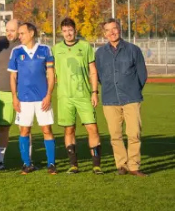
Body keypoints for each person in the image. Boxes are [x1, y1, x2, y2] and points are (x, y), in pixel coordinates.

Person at [95, 18, 148, 177]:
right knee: (115, 135)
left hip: (131, 98)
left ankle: (134, 166)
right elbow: (98, 76)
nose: (112, 32)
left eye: (114, 29)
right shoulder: (100, 53)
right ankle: (122, 165)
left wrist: (133, 89)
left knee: (134, 134)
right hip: (110, 99)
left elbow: (142, 75)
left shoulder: (133, 50)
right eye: (108, 30)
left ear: (120, 29)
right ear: (104, 34)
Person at [52, 17, 102, 174]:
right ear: (61, 32)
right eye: (65, 31)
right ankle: (73, 165)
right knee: (69, 130)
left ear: (75, 30)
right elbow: (51, 73)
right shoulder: (56, 49)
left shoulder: (85, 46)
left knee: (92, 128)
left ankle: (96, 165)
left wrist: (94, 92)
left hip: (83, 95)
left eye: (70, 30)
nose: (68, 34)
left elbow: (93, 71)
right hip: (65, 97)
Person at [8, 22, 56, 175]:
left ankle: (51, 164)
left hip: (42, 98)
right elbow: (13, 76)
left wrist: (48, 95)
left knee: (46, 129)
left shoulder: (45, 50)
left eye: (22, 33)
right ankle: (26, 164)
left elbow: (51, 75)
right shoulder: (16, 52)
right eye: (19, 33)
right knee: (24, 130)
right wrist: (14, 97)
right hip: (23, 99)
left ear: (31, 34)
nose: (19, 36)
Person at [0, 19, 21, 171]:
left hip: (24, 93)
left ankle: (27, 161)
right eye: (7, 29)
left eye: (12, 30)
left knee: (24, 128)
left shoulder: (26, 45)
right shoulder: (0, 43)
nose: (9, 33)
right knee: (3, 127)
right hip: (4, 92)